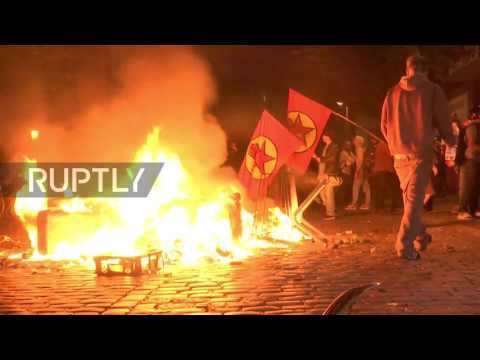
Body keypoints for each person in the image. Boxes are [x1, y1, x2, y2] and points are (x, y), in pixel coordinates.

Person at [381, 54, 455, 260]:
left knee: (410, 201)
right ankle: (404, 246)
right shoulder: (432, 90)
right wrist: (450, 140)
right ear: (425, 70)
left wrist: (393, 144)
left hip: (398, 155)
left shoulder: (391, 93)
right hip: (419, 153)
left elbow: (384, 125)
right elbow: (443, 119)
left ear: (407, 69)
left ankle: (420, 237)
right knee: (413, 202)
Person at [457, 105, 480, 220]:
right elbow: (471, 146)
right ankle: (462, 210)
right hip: (469, 160)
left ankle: (474, 209)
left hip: (475, 160)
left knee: (475, 187)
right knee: (467, 186)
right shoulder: (473, 128)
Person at [313, 130, 342, 220]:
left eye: (324, 136)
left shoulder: (334, 146)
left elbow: (331, 160)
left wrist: (318, 158)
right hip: (326, 173)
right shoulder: (327, 146)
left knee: (328, 190)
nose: (322, 137)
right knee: (322, 191)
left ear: (328, 137)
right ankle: (330, 208)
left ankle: (330, 213)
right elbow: (325, 160)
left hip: (332, 174)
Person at [371, 139, 400, 212]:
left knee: (381, 189)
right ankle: (383, 207)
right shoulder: (385, 145)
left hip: (381, 169)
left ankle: (379, 207)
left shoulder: (381, 145)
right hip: (385, 169)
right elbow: (391, 155)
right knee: (386, 189)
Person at [345, 135, 371, 211]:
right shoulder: (362, 149)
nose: (353, 142)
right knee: (366, 187)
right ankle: (367, 204)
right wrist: (354, 157)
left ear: (358, 142)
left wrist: (357, 171)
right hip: (364, 170)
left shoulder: (359, 149)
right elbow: (359, 159)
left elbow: (360, 160)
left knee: (355, 187)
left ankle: (353, 204)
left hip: (360, 170)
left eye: (355, 140)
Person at [338, 140, 355, 206]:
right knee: (343, 187)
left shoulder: (349, 152)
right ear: (345, 145)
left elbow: (354, 160)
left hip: (348, 172)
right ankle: (342, 202)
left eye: (350, 144)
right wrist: (346, 163)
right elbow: (341, 162)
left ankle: (345, 202)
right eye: (347, 144)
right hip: (343, 171)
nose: (349, 145)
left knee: (347, 187)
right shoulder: (343, 152)